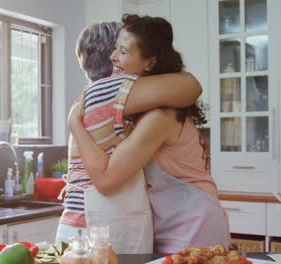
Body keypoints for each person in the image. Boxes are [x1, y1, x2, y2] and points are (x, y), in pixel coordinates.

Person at [67, 14, 230, 254]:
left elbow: (106, 180)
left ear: (150, 63)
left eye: (123, 51)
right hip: (168, 219)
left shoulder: (159, 117)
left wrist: (74, 124)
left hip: (193, 224)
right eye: (115, 48)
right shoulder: (140, 106)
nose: (113, 57)